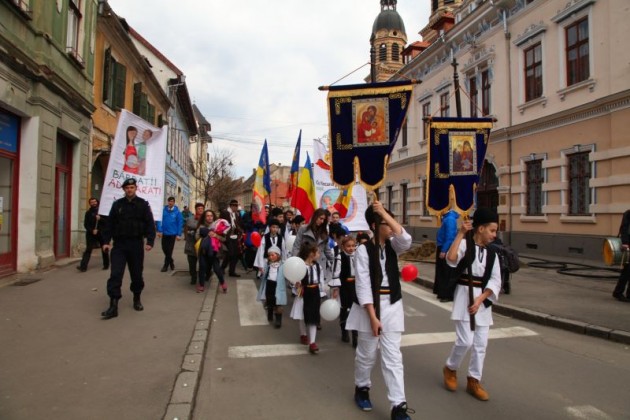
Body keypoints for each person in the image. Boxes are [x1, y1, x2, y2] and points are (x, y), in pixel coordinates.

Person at [345, 200, 414, 419]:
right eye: (386, 223)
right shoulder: (363, 251)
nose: (391, 227)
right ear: (375, 226)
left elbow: (406, 239)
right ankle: (362, 387)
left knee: (393, 356)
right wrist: (373, 317)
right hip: (370, 308)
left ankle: (398, 404)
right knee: (367, 354)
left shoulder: (394, 246)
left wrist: (383, 212)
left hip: (392, 304)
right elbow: (363, 285)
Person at [442, 207, 502, 402]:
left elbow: (495, 280)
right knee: (465, 341)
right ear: (481, 228)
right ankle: (450, 368)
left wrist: (481, 299)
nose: (494, 234)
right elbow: (451, 260)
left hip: (481, 301)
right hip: (463, 295)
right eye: (492, 230)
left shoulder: (493, 253)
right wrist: (460, 233)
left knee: (480, 345)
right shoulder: (465, 244)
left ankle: (474, 380)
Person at [100, 178, 155, 320]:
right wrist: (106, 241)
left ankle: (137, 298)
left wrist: (150, 241)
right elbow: (109, 224)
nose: (129, 190)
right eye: (127, 187)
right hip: (119, 245)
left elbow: (149, 223)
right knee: (115, 274)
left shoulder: (143, 204)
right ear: (123, 189)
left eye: (132, 187)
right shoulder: (117, 205)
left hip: (136, 245)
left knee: (136, 274)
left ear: (136, 188)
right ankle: (113, 305)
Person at [290, 242, 323, 354]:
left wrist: (322, 291)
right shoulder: (300, 266)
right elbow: (295, 278)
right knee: (303, 315)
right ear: (310, 254)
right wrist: (296, 284)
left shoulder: (318, 266)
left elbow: (321, 280)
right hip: (304, 292)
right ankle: (303, 334)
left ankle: (312, 342)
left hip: (315, 292)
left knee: (313, 317)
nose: (319, 254)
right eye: (317, 252)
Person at [292, 208, 333, 288]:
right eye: (320, 218)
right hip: (305, 263)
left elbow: (327, 250)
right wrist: (296, 263)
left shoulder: (324, 232)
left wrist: (335, 262)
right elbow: (296, 246)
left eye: (324, 220)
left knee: (317, 291)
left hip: (319, 265)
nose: (322, 221)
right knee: (303, 290)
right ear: (315, 217)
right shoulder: (303, 229)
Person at [256, 245, 287, 328]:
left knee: (278, 303)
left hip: (278, 286)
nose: (271, 257)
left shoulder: (283, 265)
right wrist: (262, 273)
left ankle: (278, 320)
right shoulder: (268, 265)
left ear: (278, 255)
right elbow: (264, 275)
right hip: (269, 285)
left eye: (273, 255)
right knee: (270, 301)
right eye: (269, 255)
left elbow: (287, 275)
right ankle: (270, 312)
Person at [196, 209, 227, 293]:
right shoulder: (201, 226)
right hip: (203, 251)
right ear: (205, 217)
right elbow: (196, 237)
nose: (209, 217)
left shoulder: (218, 226)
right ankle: (201, 285)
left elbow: (224, 239)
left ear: (213, 217)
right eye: (207, 216)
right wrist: (206, 234)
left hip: (214, 251)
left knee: (217, 269)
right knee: (202, 267)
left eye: (211, 216)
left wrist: (216, 235)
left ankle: (223, 283)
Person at [77, 197, 109, 272]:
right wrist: (91, 230)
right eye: (92, 202)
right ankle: (83, 267)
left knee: (104, 248)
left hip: (101, 233)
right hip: (91, 234)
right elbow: (86, 224)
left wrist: (100, 219)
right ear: (90, 204)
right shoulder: (88, 213)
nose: (93, 203)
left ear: (97, 202)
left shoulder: (102, 212)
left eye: (95, 202)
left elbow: (107, 223)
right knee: (88, 249)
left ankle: (106, 265)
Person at [434, 210, 459, 301]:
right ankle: (442, 292)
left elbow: (450, 236)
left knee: (446, 272)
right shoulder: (446, 218)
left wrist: (444, 250)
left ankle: (447, 294)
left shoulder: (450, 219)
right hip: (442, 246)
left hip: (446, 247)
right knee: (442, 271)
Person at [338, 235, 358, 348]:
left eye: (353, 246)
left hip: (356, 285)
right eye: (348, 246)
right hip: (344, 285)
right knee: (345, 308)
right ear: (343, 247)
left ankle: (355, 334)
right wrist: (336, 288)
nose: (351, 248)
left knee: (355, 308)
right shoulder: (340, 257)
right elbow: (336, 273)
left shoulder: (358, 256)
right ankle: (344, 330)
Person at [156, 197, 183, 272]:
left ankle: (165, 265)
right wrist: (159, 230)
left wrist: (179, 234)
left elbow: (180, 223)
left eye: (172, 201)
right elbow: (159, 221)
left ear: (174, 202)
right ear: (168, 202)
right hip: (164, 233)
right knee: (164, 248)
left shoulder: (177, 212)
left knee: (169, 250)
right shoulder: (163, 211)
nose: (170, 203)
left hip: (172, 234)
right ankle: (171, 261)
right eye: (169, 201)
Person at [220, 199, 244, 277]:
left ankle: (232, 271)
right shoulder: (225, 213)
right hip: (227, 235)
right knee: (230, 253)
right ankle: (222, 268)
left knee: (235, 254)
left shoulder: (237, 214)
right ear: (231, 206)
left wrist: (241, 230)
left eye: (237, 206)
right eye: (234, 206)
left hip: (235, 235)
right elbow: (222, 223)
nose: (236, 208)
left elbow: (239, 224)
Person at [184, 203, 205, 285]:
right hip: (191, 245)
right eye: (199, 208)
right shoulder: (191, 218)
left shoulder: (206, 218)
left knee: (203, 264)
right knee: (192, 264)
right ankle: (193, 277)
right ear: (196, 209)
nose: (200, 210)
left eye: (202, 208)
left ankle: (202, 277)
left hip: (202, 245)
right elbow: (190, 225)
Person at [612, 209, 630, 302]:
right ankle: (618, 292)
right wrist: (625, 242)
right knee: (627, 270)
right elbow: (624, 228)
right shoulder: (628, 214)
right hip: (628, 245)